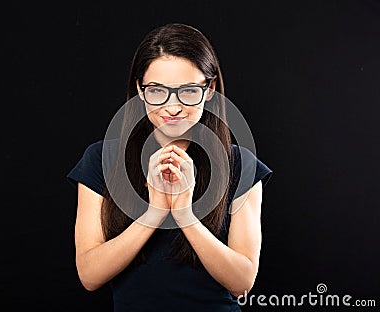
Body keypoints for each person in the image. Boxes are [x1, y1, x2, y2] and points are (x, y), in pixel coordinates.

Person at [67, 23, 273, 311]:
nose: (173, 107)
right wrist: (154, 213)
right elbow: (89, 275)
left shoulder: (240, 165)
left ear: (210, 89)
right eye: (157, 91)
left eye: (188, 91)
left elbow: (242, 282)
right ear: (140, 90)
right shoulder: (103, 159)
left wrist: (185, 214)